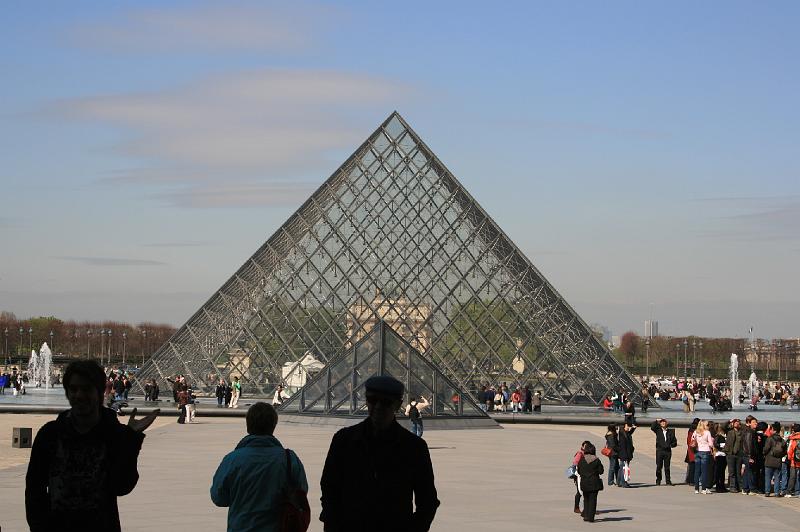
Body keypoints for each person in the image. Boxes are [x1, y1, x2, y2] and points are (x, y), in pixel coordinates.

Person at [25, 360, 159, 532]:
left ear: (100, 391)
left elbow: (123, 486)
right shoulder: (50, 434)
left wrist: (131, 439)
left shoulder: (115, 434)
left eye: (86, 389)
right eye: (73, 389)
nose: (79, 395)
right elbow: (34, 490)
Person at [320, 375, 439, 532]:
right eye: (372, 400)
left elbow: (427, 500)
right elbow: (329, 487)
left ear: (398, 405)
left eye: (386, 402)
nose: (377, 406)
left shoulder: (415, 447)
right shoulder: (343, 440)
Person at [211, 402, 308, 531]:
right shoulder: (289, 459)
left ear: (248, 426)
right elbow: (301, 491)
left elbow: (219, 498)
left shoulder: (232, 459)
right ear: (273, 426)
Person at [577, 442, 604, 523]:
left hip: (584, 482)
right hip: (594, 483)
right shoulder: (596, 460)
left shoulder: (582, 460)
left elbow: (579, 471)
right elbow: (601, 471)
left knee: (586, 499)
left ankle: (586, 516)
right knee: (593, 500)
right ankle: (591, 517)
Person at [650, 418, 677, 485]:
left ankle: (668, 481)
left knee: (667, 467)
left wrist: (671, 445)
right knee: (659, 466)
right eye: (662, 422)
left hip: (667, 452)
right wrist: (656, 420)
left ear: (666, 423)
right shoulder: (658, 430)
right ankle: (658, 480)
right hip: (660, 451)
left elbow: (674, 442)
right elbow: (652, 427)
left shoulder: (671, 431)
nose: (663, 423)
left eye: (664, 422)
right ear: (660, 423)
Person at [763, 421, 787, 497]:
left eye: (771, 429)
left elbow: (766, 449)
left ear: (774, 430)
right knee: (777, 477)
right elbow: (784, 451)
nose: (770, 430)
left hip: (769, 460)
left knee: (768, 477)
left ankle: (767, 492)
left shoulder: (769, 439)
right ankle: (777, 492)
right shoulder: (782, 440)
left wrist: (764, 453)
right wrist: (780, 456)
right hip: (778, 461)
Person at [692, 420, 714, 494]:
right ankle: (704, 488)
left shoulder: (696, 432)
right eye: (707, 425)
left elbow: (692, 441)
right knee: (704, 471)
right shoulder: (707, 432)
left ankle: (696, 488)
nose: (708, 426)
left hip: (697, 451)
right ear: (704, 425)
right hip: (705, 452)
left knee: (697, 470)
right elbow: (711, 444)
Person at [726, 418, 743, 492]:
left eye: (738, 423)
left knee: (738, 472)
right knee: (732, 472)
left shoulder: (742, 432)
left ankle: (740, 486)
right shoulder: (730, 432)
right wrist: (729, 421)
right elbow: (723, 426)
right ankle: (732, 487)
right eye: (735, 422)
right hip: (730, 453)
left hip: (739, 454)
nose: (736, 423)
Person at [617, 422, 636, 488]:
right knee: (624, 469)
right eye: (627, 426)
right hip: (624, 455)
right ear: (623, 427)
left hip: (625, 454)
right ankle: (623, 482)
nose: (628, 427)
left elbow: (629, 433)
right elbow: (623, 447)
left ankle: (619, 482)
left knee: (621, 468)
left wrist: (633, 428)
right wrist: (625, 456)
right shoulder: (623, 435)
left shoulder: (625, 433)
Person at [785, 423, 800, 497]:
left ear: (794, 430)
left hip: (794, 461)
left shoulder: (793, 439)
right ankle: (798, 492)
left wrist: (789, 458)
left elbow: (789, 450)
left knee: (792, 477)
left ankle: (789, 492)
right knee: (799, 477)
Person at [713, 422, 728, 492]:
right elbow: (715, 444)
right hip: (719, 455)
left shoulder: (725, 435)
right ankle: (718, 486)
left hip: (724, 455)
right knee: (719, 472)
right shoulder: (718, 436)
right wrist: (722, 447)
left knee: (722, 471)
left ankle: (722, 486)